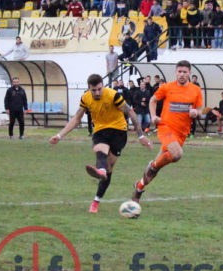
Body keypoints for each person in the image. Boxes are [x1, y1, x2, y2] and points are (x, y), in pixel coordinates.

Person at [50, 73, 150, 213]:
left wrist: (140, 136)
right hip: (100, 131)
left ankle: (97, 198)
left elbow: (131, 113)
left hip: (118, 131)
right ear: (89, 89)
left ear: (103, 86)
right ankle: (100, 172)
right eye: (93, 90)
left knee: (109, 169)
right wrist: (60, 135)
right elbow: (77, 119)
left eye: (99, 89)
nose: (97, 92)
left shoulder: (113, 95)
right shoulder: (86, 98)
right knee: (100, 152)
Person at [132, 61, 204, 205]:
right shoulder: (167, 87)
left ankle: (138, 189)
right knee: (177, 154)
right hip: (166, 128)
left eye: (184, 72)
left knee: (153, 174)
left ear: (189, 73)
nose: (182, 75)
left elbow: (201, 110)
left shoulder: (195, 90)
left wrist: (196, 112)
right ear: (175, 72)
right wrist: (153, 116)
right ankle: (153, 165)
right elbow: (152, 100)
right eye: (179, 72)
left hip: (181, 134)